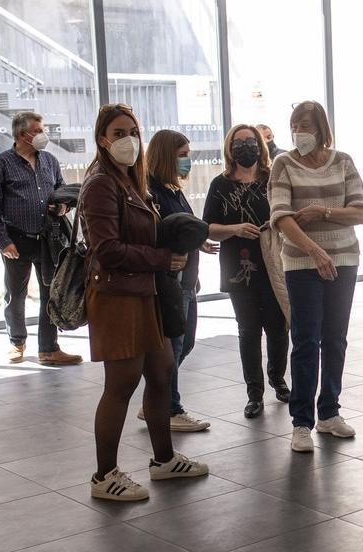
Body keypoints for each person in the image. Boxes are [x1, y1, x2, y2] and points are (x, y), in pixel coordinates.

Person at [81, 103, 208, 501]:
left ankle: (164, 460)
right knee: (121, 384)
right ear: (102, 139)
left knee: (161, 370)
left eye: (133, 131)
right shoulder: (101, 183)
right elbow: (107, 250)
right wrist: (161, 259)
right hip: (117, 295)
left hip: (146, 292)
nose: (128, 140)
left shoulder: (131, 181)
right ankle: (105, 475)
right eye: (118, 133)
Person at [269, 101, 363, 453]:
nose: (299, 131)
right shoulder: (283, 163)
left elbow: (360, 211)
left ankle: (329, 413)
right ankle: (301, 422)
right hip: (302, 263)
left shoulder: (342, 161)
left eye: (306, 124)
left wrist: (323, 212)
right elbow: (281, 217)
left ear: (321, 128)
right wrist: (315, 250)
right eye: (294, 123)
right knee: (306, 340)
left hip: (344, 260)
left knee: (336, 338)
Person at [204, 124, 291, 418]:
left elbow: (288, 212)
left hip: (275, 263)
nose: (245, 147)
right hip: (238, 267)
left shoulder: (272, 178)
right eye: (239, 143)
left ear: (260, 145)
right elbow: (209, 228)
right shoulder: (220, 184)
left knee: (278, 327)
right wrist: (235, 228)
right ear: (230, 148)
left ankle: (278, 379)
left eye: (250, 142)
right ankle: (254, 394)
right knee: (248, 331)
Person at [0, 111, 82, 366]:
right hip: (16, 239)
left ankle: (48, 349)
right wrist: (3, 240)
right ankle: (17, 342)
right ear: (21, 134)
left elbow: (61, 193)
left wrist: (62, 208)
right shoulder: (1, 164)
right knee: (16, 294)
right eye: (37, 131)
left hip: (49, 238)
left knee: (51, 292)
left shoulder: (49, 160)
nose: (42, 135)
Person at [141, 130, 212, 432]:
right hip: (171, 282)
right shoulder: (151, 192)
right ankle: (168, 407)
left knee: (185, 344)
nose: (187, 161)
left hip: (186, 280)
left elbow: (182, 228)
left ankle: (156, 403)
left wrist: (199, 244)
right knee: (173, 348)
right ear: (165, 156)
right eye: (182, 154)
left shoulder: (172, 189)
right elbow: (156, 235)